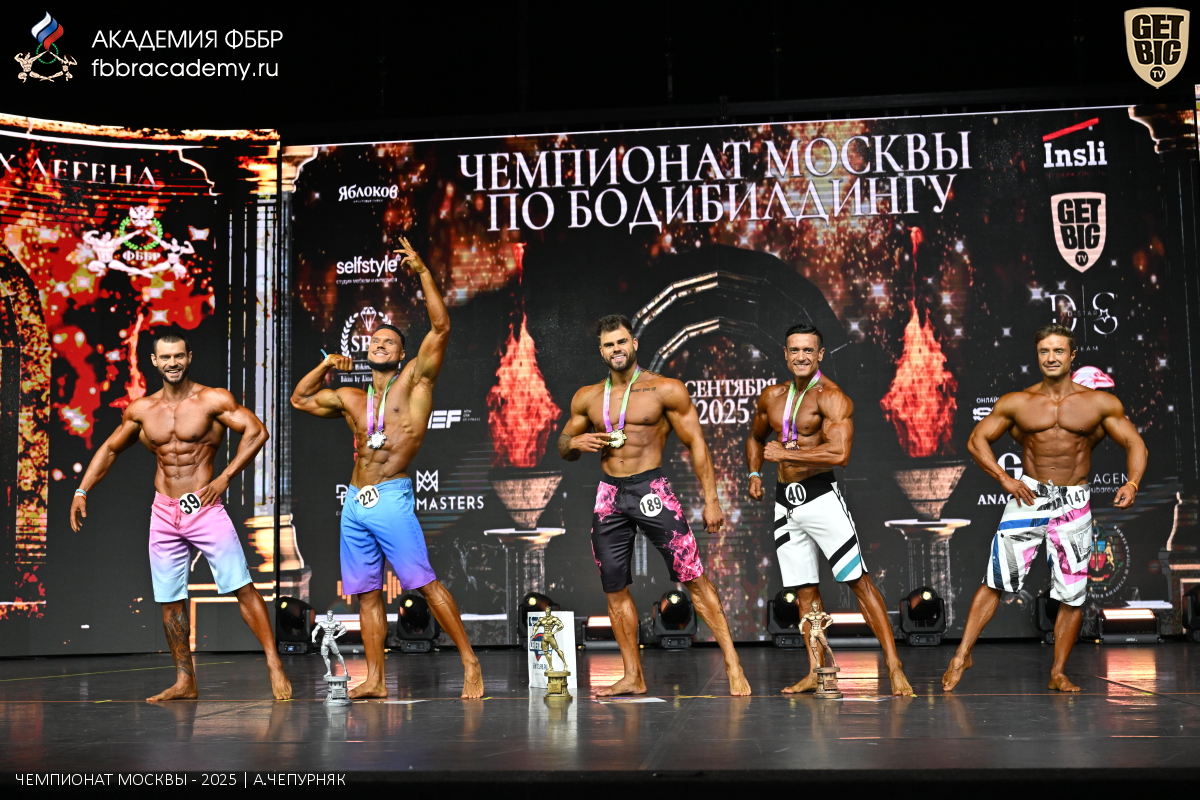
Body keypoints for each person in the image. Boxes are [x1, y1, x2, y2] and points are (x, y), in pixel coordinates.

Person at [290, 237, 483, 699]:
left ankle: (470, 662)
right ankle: (375, 679)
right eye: (375, 341)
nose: (379, 345)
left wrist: (422, 272)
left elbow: (441, 327)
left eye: (389, 342)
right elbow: (299, 399)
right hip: (355, 502)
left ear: (400, 353)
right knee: (367, 593)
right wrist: (326, 365)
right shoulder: (352, 397)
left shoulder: (415, 382)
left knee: (424, 583)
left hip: (391, 496)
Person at [70, 333, 291, 702]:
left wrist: (224, 477)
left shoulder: (212, 400)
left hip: (204, 505)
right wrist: (82, 491)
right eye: (165, 357)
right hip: (164, 511)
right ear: (154, 362)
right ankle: (185, 680)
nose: (172, 363)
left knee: (240, 585)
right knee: (170, 599)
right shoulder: (142, 410)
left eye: (178, 356)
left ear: (189, 357)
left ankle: (273, 663)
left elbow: (257, 432)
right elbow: (109, 449)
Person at [943, 324, 1147, 692]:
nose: (1051, 358)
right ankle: (962, 654)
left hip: (1074, 501)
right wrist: (1004, 479)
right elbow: (977, 440)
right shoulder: (1018, 402)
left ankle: (1058, 672)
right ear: (1037, 356)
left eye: (1058, 351)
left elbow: (1136, 444)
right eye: (1044, 351)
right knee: (997, 579)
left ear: (1072, 356)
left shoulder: (1099, 404)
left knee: (1072, 592)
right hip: (1029, 497)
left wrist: (1132, 483)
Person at [557, 314, 751, 697]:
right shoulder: (587, 397)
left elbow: (696, 443)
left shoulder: (665, 389)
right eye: (609, 344)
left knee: (693, 576)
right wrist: (574, 443)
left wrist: (711, 500)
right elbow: (564, 444)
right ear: (601, 351)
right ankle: (633, 675)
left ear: (634, 344)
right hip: (609, 495)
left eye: (622, 341)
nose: (616, 349)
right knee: (614, 588)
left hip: (651, 489)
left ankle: (732, 662)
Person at [747, 323, 914, 696]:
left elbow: (840, 453)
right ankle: (817, 672)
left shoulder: (832, 397)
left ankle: (894, 666)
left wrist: (786, 454)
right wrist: (755, 473)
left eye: (808, 350)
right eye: (795, 350)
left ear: (820, 354)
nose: (801, 356)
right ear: (785, 354)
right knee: (805, 591)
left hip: (821, 498)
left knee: (858, 581)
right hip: (785, 503)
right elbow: (756, 438)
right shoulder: (772, 396)